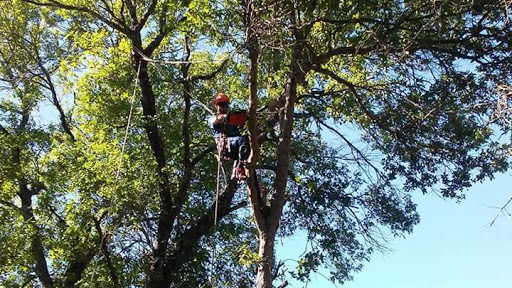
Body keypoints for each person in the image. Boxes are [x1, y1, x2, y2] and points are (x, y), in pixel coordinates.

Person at [208, 92, 249, 180]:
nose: (224, 107)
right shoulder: (212, 118)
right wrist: (228, 116)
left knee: (248, 139)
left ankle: (242, 166)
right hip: (226, 146)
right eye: (222, 105)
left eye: (226, 105)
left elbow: (240, 125)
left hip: (235, 146)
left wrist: (243, 116)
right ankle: (240, 169)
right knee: (241, 140)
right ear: (216, 105)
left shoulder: (232, 120)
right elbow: (217, 120)